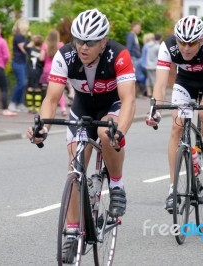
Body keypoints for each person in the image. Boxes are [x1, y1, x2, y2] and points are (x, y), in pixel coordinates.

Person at [27, 9, 136, 261]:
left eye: (90, 42)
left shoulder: (118, 55)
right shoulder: (65, 55)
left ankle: (117, 185)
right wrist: (42, 127)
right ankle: (73, 232)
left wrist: (121, 131)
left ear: (104, 41)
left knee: (105, 134)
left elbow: (128, 99)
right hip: (82, 108)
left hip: (112, 107)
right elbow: (52, 98)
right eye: (78, 40)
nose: (82, 47)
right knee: (75, 167)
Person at [145, 15, 203, 213]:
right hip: (185, 83)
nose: (186, 48)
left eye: (192, 43)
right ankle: (173, 189)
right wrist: (154, 109)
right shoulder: (168, 46)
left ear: (201, 40)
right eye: (182, 42)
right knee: (176, 127)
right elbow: (161, 84)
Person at [39, 29, 67, 116]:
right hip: (58, 69)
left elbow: (41, 58)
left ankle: (46, 110)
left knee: (49, 92)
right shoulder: (61, 45)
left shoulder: (45, 45)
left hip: (47, 70)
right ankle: (63, 108)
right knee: (60, 90)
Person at [9, 18, 30, 113]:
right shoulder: (18, 37)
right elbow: (24, 49)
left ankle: (20, 103)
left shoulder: (21, 37)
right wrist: (30, 40)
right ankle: (12, 102)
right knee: (22, 82)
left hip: (21, 62)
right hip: (18, 62)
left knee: (22, 83)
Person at [24, 34, 44, 113]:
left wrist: (30, 38)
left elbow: (25, 46)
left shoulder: (31, 50)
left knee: (30, 88)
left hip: (30, 72)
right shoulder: (42, 53)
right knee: (38, 89)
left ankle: (30, 107)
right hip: (39, 73)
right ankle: (37, 108)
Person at [145, 33, 161, 98]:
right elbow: (160, 56)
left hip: (148, 65)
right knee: (154, 80)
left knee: (148, 79)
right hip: (154, 66)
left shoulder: (148, 45)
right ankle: (155, 94)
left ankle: (149, 93)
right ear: (160, 38)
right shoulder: (158, 46)